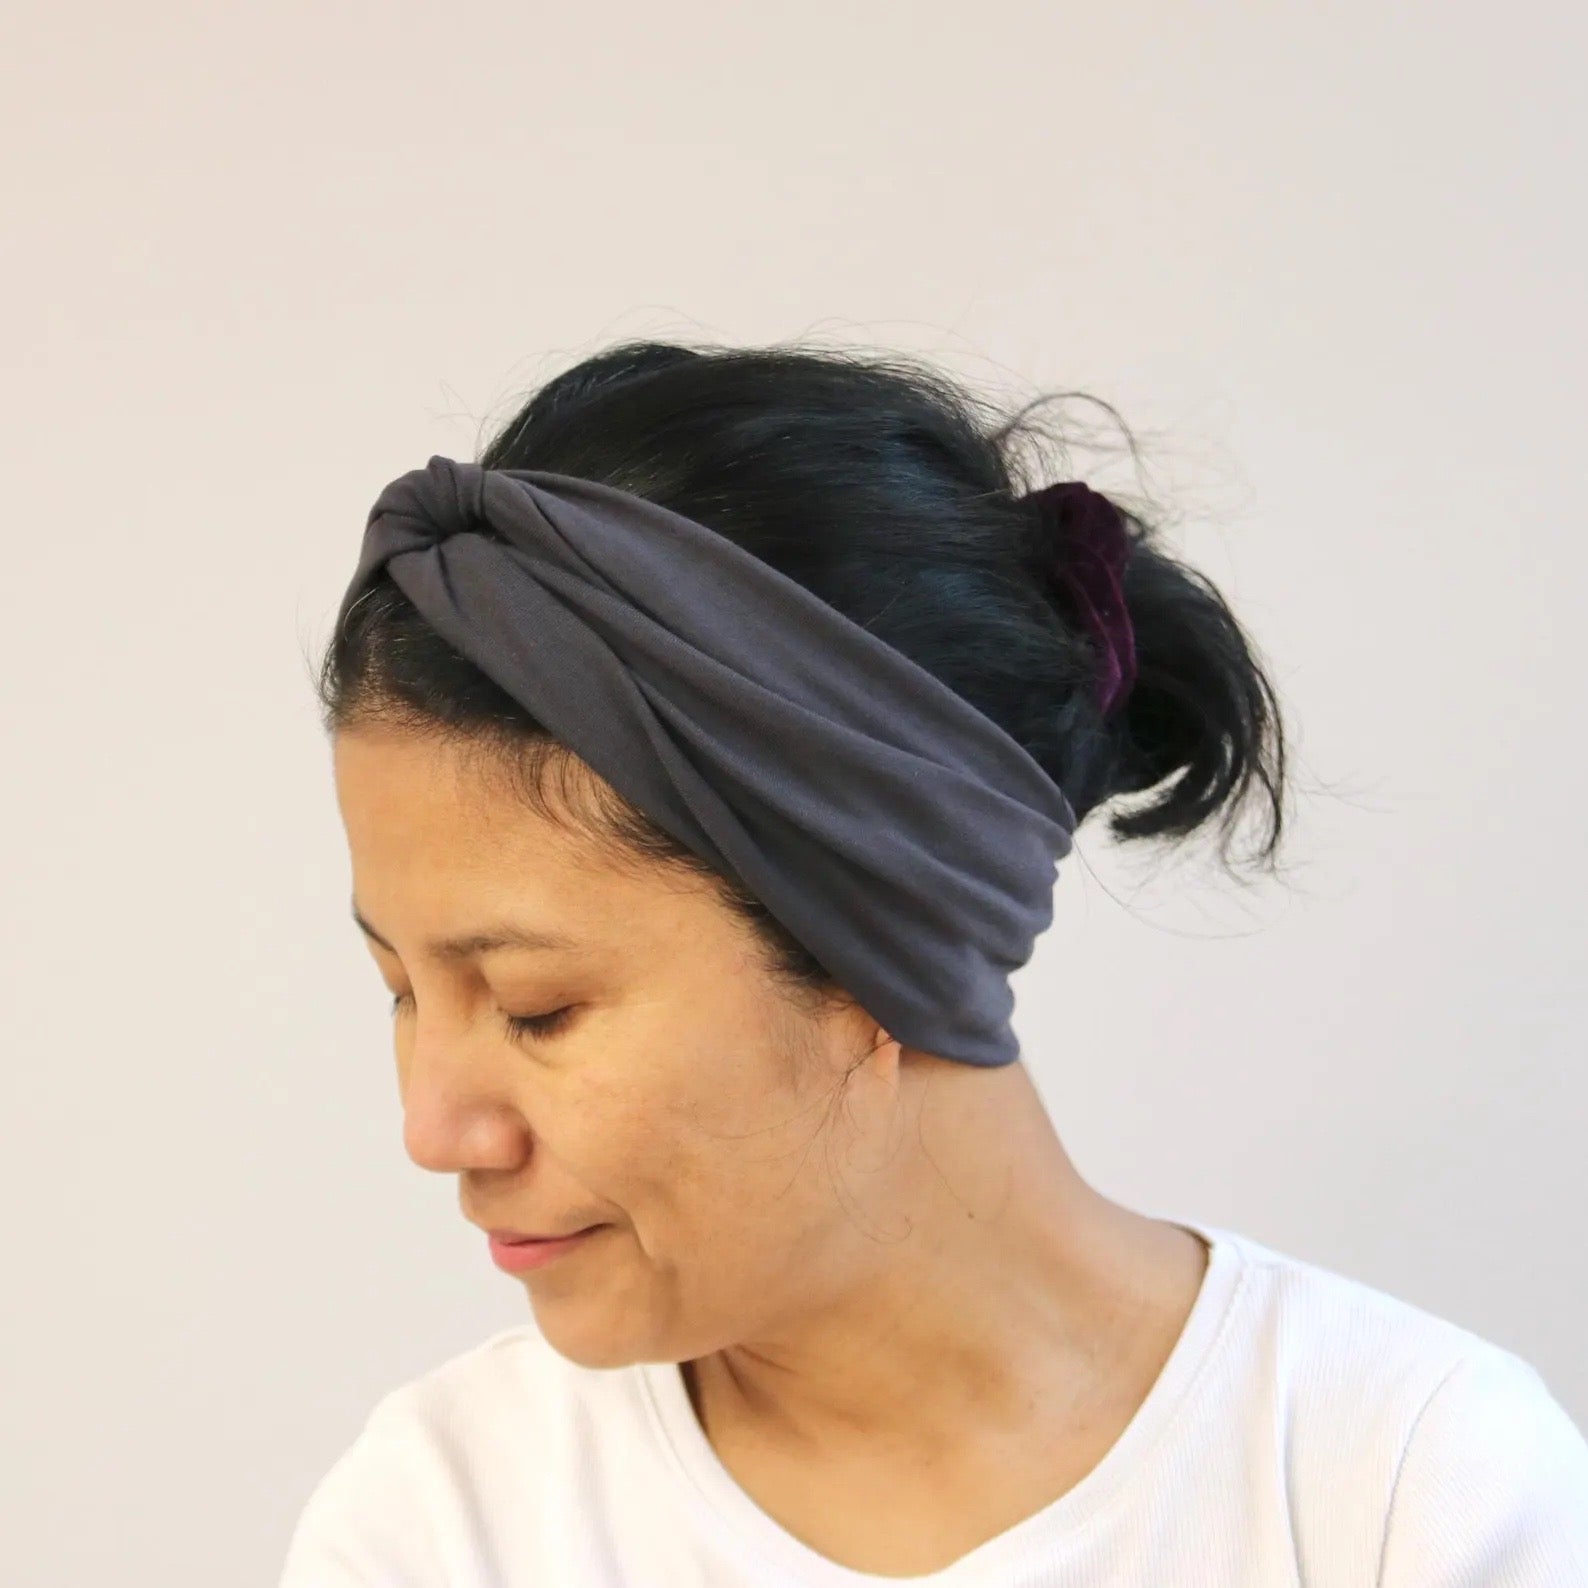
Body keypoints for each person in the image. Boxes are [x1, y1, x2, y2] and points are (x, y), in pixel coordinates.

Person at [281, 340, 1588, 1585]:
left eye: (535, 1007)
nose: (435, 1127)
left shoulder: (1404, 1492)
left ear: (874, 946)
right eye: (403, 991)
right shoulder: (447, 1526)